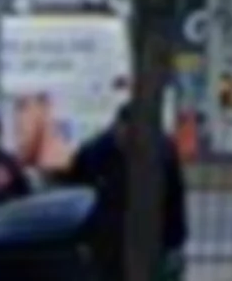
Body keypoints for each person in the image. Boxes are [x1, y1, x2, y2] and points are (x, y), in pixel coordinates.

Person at [66, 101, 188, 281]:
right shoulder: (97, 151)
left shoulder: (163, 151)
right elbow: (77, 193)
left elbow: (175, 198)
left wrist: (174, 241)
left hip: (147, 237)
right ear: (117, 127)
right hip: (110, 241)